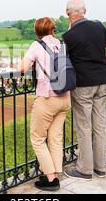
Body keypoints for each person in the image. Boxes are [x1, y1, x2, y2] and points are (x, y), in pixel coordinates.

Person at [62, 0, 106, 180]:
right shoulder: (100, 27)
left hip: (82, 85)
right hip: (102, 82)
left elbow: (62, 63)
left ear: (67, 14)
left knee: (84, 127)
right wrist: (101, 62)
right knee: (100, 126)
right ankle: (100, 168)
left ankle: (85, 170)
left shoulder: (68, 37)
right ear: (85, 10)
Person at [18, 17, 71, 191]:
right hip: (65, 97)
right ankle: (55, 173)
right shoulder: (62, 44)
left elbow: (22, 69)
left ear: (37, 31)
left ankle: (50, 178)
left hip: (47, 98)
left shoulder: (37, 46)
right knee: (55, 137)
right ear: (53, 29)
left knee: (38, 138)